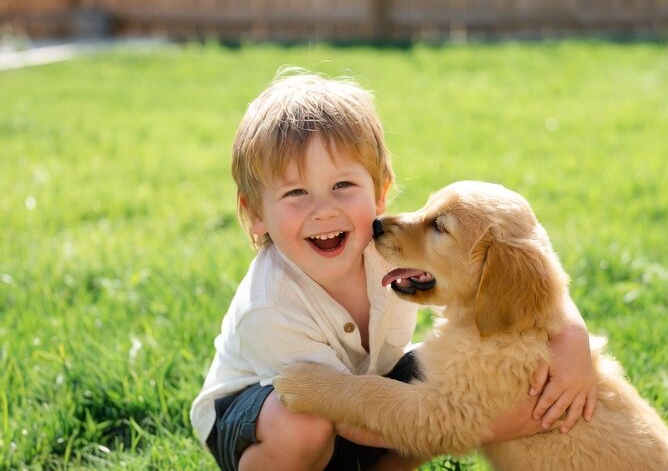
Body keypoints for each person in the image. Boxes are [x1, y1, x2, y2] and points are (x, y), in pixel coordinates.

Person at [190, 69, 597, 471]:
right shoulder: (268, 309)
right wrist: (477, 424)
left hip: (361, 392)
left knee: (450, 374)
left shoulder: (392, 245)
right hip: (267, 415)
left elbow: (527, 261)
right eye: (296, 193)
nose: (324, 209)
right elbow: (340, 409)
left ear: (381, 191)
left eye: (342, 186)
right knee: (303, 425)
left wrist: (573, 338)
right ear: (255, 213)